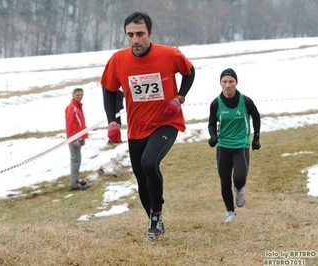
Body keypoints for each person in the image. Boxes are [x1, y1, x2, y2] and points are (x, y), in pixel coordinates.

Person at [101, 11, 195, 241]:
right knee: (141, 178)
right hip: (136, 128)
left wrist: (179, 98)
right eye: (130, 34)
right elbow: (109, 89)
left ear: (151, 33)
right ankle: (155, 221)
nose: (135, 40)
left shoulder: (169, 54)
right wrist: (112, 121)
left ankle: (156, 214)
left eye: (140, 34)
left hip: (166, 122)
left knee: (149, 163)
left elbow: (189, 73)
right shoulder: (118, 60)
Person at [208, 68, 261, 223]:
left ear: (236, 83)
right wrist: (213, 137)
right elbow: (211, 124)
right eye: (224, 82)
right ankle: (230, 212)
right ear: (220, 84)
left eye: (231, 81)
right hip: (223, 146)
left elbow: (256, 116)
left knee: (239, 178)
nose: (228, 85)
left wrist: (256, 137)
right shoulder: (215, 103)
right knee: (224, 181)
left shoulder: (245, 101)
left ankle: (239, 189)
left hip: (241, 145)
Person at [65, 88, 88, 191]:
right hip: (74, 138)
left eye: (81, 95)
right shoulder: (71, 108)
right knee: (75, 160)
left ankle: (76, 180)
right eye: (78, 95)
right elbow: (70, 125)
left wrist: (83, 136)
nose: (80, 96)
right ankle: (74, 183)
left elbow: (81, 123)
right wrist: (73, 139)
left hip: (79, 137)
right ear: (73, 95)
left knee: (78, 159)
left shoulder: (78, 107)